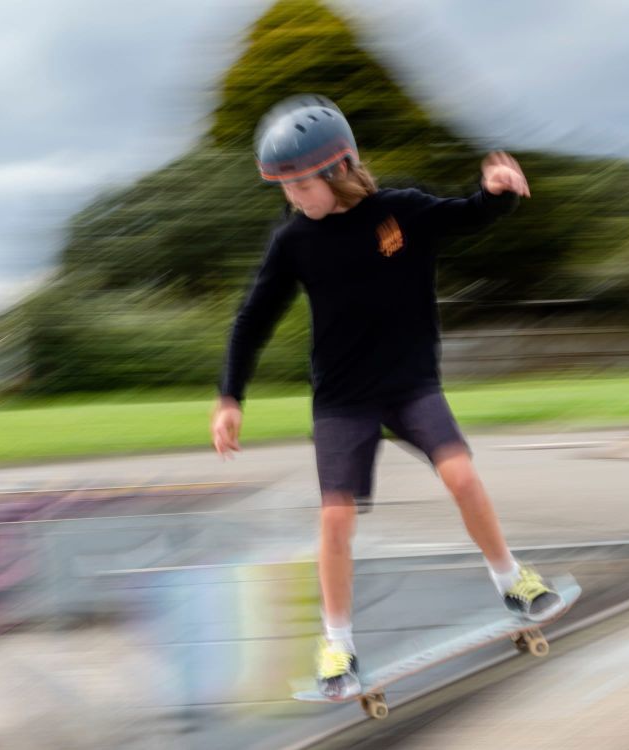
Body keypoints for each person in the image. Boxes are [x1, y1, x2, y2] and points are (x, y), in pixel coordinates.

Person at [211, 94, 565, 700]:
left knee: (461, 476)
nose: (293, 197)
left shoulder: (399, 212)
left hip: (409, 386)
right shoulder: (294, 241)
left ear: (339, 168)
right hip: (343, 401)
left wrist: (499, 191)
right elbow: (252, 319)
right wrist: (230, 396)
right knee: (336, 519)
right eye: (284, 187)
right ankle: (337, 643)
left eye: (300, 184)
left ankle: (511, 578)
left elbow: (467, 215)